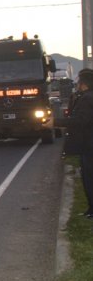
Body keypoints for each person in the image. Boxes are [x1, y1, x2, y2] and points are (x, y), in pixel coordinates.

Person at [56, 70, 93, 219]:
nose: (77, 85)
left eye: (78, 82)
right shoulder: (85, 97)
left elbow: (79, 121)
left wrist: (55, 122)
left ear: (83, 84)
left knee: (89, 178)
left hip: (89, 145)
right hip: (88, 143)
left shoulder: (87, 99)